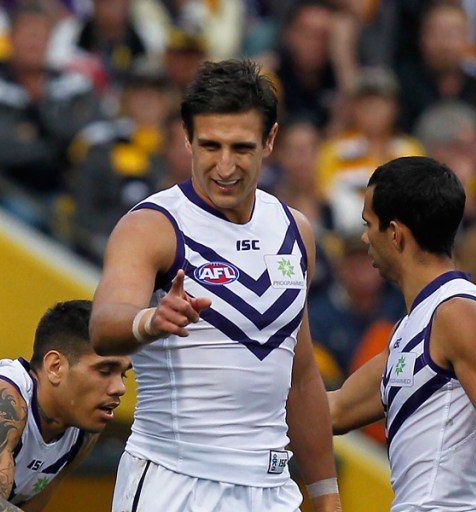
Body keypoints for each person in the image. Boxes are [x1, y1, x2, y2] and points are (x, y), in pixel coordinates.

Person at [90, 59, 341, 512]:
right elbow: (104, 325)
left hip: (272, 490)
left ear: (270, 140)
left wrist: (326, 494)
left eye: (241, 148)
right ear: (186, 138)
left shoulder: (295, 230)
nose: (225, 166)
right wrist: (150, 320)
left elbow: (302, 379)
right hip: (174, 483)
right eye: (210, 146)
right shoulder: (152, 226)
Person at [327, 156, 476, 511]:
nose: (365, 237)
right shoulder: (415, 324)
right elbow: (334, 411)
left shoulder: (459, 314)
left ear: (395, 234)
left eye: (369, 224)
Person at [0, 300, 131, 511]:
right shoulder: (2, 399)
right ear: (55, 366)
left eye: (123, 374)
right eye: (105, 371)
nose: (120, 387)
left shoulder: (82, 433)